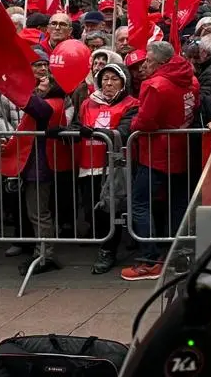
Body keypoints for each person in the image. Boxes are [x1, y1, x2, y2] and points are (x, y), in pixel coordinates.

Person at [123, 40, 198, 281]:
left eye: (149, 60)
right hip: (180, 150)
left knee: (139, 204)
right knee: (177, 204)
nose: (145, 64)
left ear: (162, 62)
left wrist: (132, 125)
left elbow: (145, 122)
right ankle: (179, 254)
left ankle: (150, 259)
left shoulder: (156, 86)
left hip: (156, 154)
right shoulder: (189, 80)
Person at [0, 47, 71, 275]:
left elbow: (33, 107)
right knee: (33, 211)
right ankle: (41, 252)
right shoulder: (48, 98)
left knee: (38, 212)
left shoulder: (54, 101)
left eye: (45, 78)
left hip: (40, 162)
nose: (41, 79)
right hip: (30, 160)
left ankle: (45, 255)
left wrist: (7, 85)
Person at [74, 63, 138, 274]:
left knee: (110, 211)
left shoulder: (131, 104)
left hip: (115, 166)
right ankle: (104, 244)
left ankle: (107, 251)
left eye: (114, 79)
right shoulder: (87, 103)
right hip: (89, 165)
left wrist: (92, 132)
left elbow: (124, 131)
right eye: (105, 79)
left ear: (124, 82)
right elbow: (77, 126)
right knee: (92, 208)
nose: (108, 83)